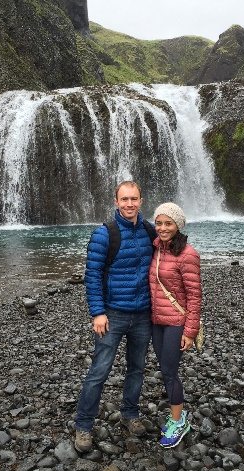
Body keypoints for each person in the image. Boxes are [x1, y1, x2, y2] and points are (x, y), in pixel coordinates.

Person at [74, 180, 154, 453]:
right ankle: (83, 425)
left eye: (134, 199)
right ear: (116, 201)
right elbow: (92, 275)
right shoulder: (104, 234)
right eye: (124, 199)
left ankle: (130, 414)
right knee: (99, 371)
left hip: (143, 314)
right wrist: (97, 312)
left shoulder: (149, 231)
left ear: (141, 200)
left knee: (136, 369)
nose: (129, 204)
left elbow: (168, 258)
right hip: (114, 314)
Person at [149, 202, 201, 448]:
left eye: (167, 223)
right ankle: (177, 414)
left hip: (176, 323)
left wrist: (190, 332)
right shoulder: (156, 248)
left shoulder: (188, 254)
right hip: (156, 320)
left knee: (170, 372)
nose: (162, 228)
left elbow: (195, 296)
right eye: (158, 223)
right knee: (164, 368)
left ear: (178, 225)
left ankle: (179, 421)